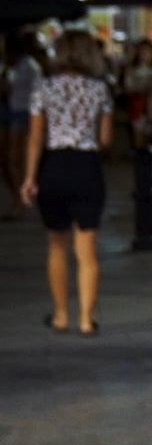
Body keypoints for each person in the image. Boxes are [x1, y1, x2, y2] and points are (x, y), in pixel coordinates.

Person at [19, 31, 115, 335]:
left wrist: (30, 178)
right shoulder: (100, 90)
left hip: (54, 166)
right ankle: (87, 319)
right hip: (87, 167)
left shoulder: (43, 88)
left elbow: (35, 137)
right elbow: (106, 139)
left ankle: (61, 315)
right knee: (87, 251)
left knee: (57, 246)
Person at [4, 28, 45, 219]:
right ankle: (18, 195)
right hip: (12, 110)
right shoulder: (12, 66)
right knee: (10, 159)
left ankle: (21, 197)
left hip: (22, 112)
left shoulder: (28, 66)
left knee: (16, 158)